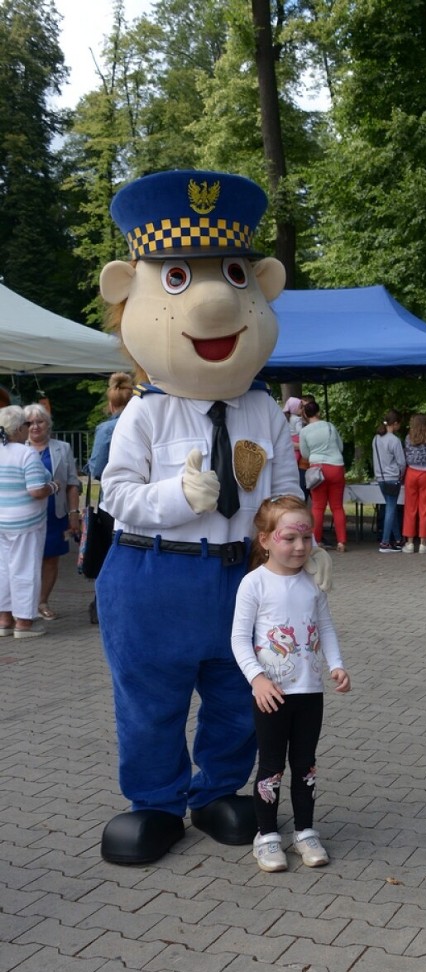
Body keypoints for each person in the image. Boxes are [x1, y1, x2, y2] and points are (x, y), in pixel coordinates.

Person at [96, 168, 326, 867]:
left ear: (260, 283)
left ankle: (220, 788)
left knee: (240, 692)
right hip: (152, 573)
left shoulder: (263, 410)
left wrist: (294, 539)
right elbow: (115, 496)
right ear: (129, 291)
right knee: (151, 698)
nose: (217, 302)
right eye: (176, 279)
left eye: (233, 275)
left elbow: (285, 487)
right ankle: (157, 801)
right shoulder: (145, 410)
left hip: (241, 577)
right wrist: (178, 499)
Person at [231, 495, 350, 872]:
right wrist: (258, 680)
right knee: (271, 766)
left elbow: (325, 627)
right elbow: (238, 638)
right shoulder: (254, 584)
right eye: (289, 538)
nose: (300, 546)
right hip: (272, 695)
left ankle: (305, 831)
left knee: (305, 765)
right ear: (265, 539)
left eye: (307, 537)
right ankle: (266, 836)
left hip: (309, 691)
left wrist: (336, 665)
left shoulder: (313, 583)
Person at [83, 372, 135, 625]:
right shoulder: (145, 421)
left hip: (112, 502)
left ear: (111, 404)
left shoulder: (106, 429)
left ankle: (103, 606)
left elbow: (97, 468)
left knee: (108, 555)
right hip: (141, 499)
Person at [0, 405, 56, 638]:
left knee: (3, 569)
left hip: (2, 520)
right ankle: (23, 623)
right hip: (25, 522)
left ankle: (4, 620)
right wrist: (53, 487)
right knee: (25, 569)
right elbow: (36, 491)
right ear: (19, 428)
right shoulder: (26, 453)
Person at [24, 403, 82, 619]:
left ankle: (42, 602)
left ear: (48, 424)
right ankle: (24, 606)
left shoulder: (62, 448)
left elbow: (72, 483)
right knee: (27, 559)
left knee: (50, 559)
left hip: (54, 513)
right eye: (30, 423)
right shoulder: (17, 448)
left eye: (40, 421)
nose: (35, 426)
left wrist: (74, 513)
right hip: (26, 513)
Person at [299, 400, 348, 553]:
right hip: (336, 467)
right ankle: (341, 542)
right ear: (318, 412)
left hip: (317, 469)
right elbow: (340, 447)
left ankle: (316, 541)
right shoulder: (330, 426)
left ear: (305, 415)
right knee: (337, 507)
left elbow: (305, 454)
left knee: (318, 507)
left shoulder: (304, 432)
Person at [402, 413, 426, 553]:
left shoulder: (408, 437)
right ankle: (423, 543)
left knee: (410, 508)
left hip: (411, 473)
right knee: (424, 508)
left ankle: (409, 543)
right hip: (425, 474)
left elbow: (406, 455)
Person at [372, 411, 406, 552]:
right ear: (395, 423)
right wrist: (401, 474)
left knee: (389, 507)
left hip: (380, 477)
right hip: (392, 477)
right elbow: (402, 462)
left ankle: (398, 539)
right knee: (391, 509)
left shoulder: (376, 438)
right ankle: (385, 542)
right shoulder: (394, 440)